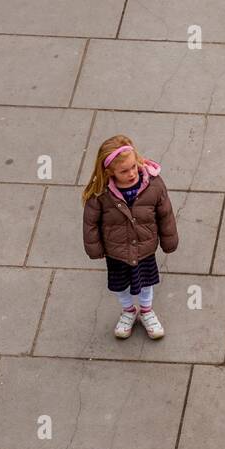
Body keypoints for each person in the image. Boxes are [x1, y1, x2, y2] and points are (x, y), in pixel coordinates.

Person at [81, 135, 178, 340]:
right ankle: (128, 311)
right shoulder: (101, 192)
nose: (132, 173)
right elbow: (90, 222)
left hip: (144, 247)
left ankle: (146, 311)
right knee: (119, 284)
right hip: (116, 250)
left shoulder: (153, 184)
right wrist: (94, 248)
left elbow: (165, 214)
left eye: (133, 166)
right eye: (124, 171)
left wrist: (169, 240)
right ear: (110, 172)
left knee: (146, 281)